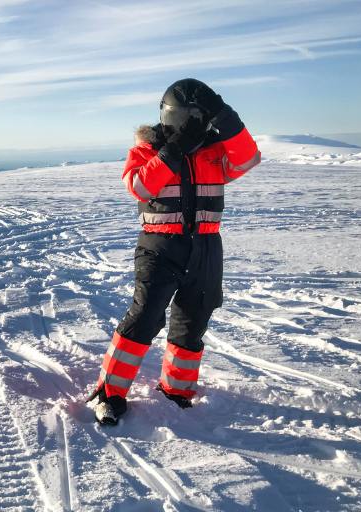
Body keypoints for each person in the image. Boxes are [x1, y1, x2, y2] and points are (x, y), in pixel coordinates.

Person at [87, 78, 261, 425]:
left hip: (207, 245)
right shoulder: (146, 150)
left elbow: (247, 159)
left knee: (194, 316)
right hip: (161, 243)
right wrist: (175, 149)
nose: (196, 121)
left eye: (202, 115)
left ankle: (176, 389)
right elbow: (139, 185)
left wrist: (227, 118)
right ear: (174, 116)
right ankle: (109, 392)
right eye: (190, 115)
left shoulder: (214, 150)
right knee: (146, 316)